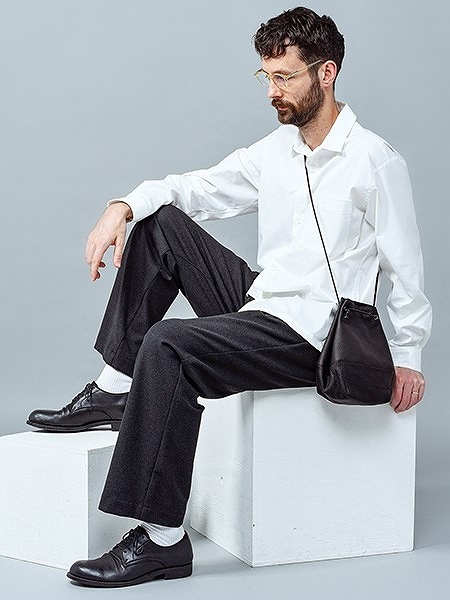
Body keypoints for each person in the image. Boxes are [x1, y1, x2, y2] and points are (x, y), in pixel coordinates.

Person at [26, 6, 431, 588]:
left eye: (284, 77)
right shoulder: (277, 150)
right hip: (264, 304)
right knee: (161, 222)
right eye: (266, 76)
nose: (272, 91)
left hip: (316, 335)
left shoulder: (375, 161)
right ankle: (115, 388)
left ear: (327, 73)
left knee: (169, 345)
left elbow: (406, 267)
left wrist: (409, 354)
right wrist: (123, 205)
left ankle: (163, 540)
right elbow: (195, 189)